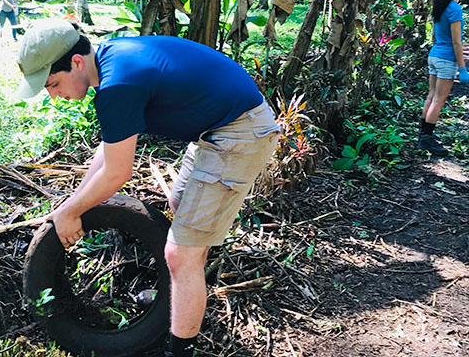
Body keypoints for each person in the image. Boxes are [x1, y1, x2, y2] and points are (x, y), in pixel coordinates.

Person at [15, 19, 280, 357]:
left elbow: (117, 173)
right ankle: (185, 289)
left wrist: (71, 211)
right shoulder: (108, 61)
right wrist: (73, 206)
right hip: (215, 128)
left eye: (53, 83)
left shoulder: (117, 84)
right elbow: (107, 151)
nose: (53, 95)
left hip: (238, 132)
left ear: (76, 62)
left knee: (180, 252)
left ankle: (180, 351)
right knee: (181, 209)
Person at [418, 0, 469, 156]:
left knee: (431, 96)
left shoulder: (440, 4)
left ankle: (423, 134)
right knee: (438, 100)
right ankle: (427, 139)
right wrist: (462, 68)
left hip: (434, 55)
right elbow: (457, 42)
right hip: (446, 58)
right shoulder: (455, 9)